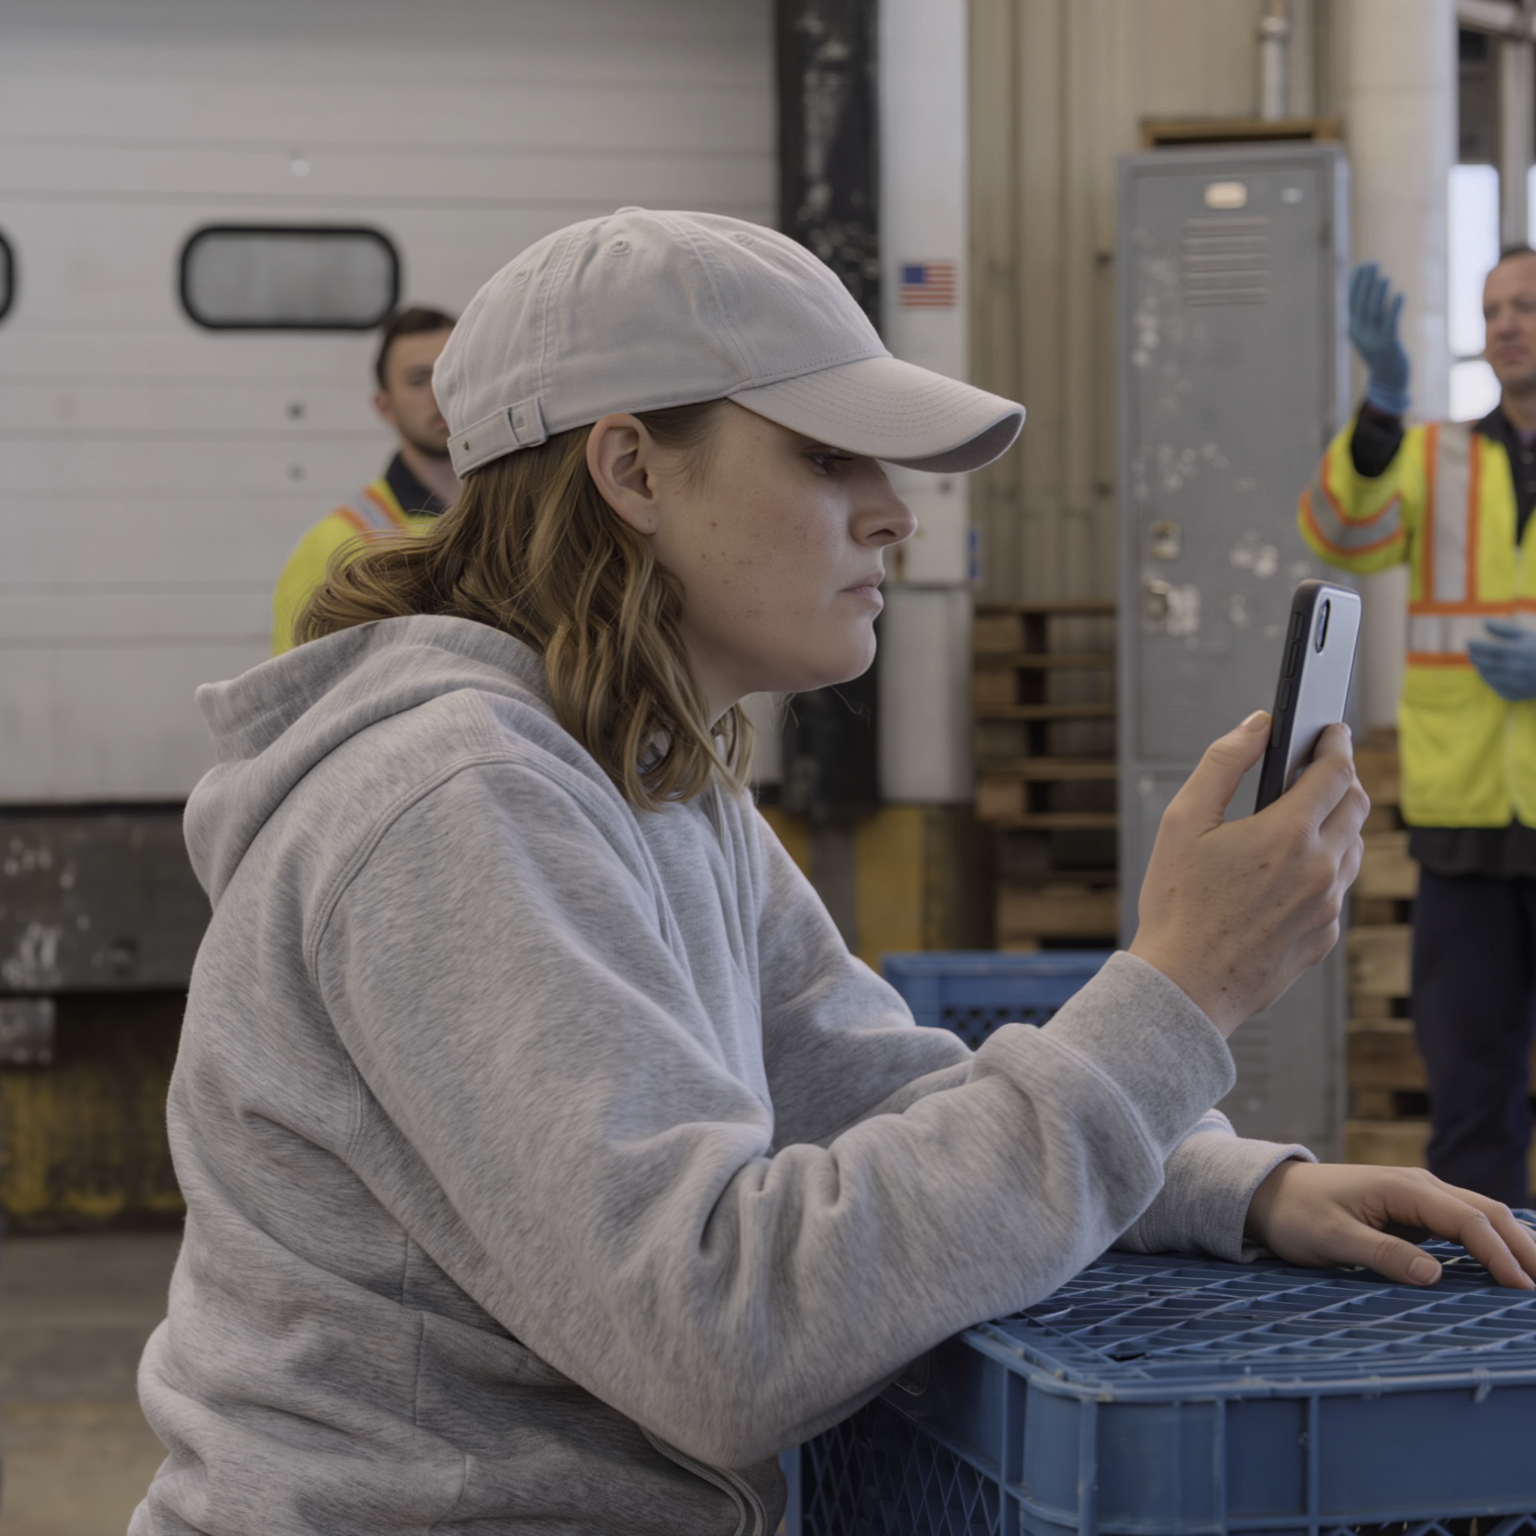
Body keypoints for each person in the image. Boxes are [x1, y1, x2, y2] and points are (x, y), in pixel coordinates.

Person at [134, 210, 1536, 1536]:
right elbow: (720, 1337)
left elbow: (876, 1088)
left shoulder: (651, 775)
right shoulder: (456, 800)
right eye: (826, 459)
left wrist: (1226, 1188)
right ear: (632, 471)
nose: (893, 515)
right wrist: (1182, 991)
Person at [1299, 254, 1536, 1207]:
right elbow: (1341, 534)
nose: (1507, 323)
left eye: (1526, 305)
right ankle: (1489, 1287)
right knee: (1471, 1102)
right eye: (1493, 309)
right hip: (1463, 828)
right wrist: (1383, 407)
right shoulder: (1435, 456)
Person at [270, 305, 460, 654]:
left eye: (451, 373)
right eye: (418, 380)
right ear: (385, 407)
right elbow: (299, 683)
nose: (439, 393)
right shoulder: (335, 543)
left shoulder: (521, 515)